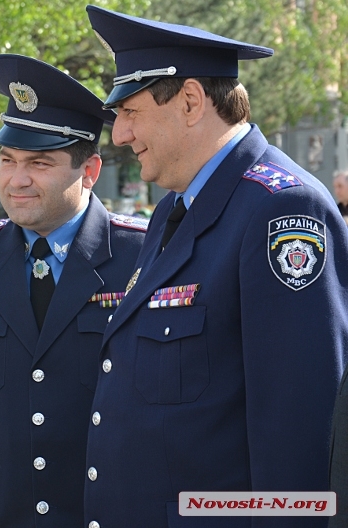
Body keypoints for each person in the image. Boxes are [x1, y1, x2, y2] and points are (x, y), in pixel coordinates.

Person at [83, 7, 348, 528]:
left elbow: (298, 431)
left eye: (131, 111)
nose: (118, 134)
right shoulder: (173, 208)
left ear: (189, 101)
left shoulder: (283, 210)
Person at [0, 54, 146, 527]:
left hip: (103, 512)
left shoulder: (145, 256)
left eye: (40, 162)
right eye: (8, 160)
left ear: (89, 172)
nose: (17, 179)